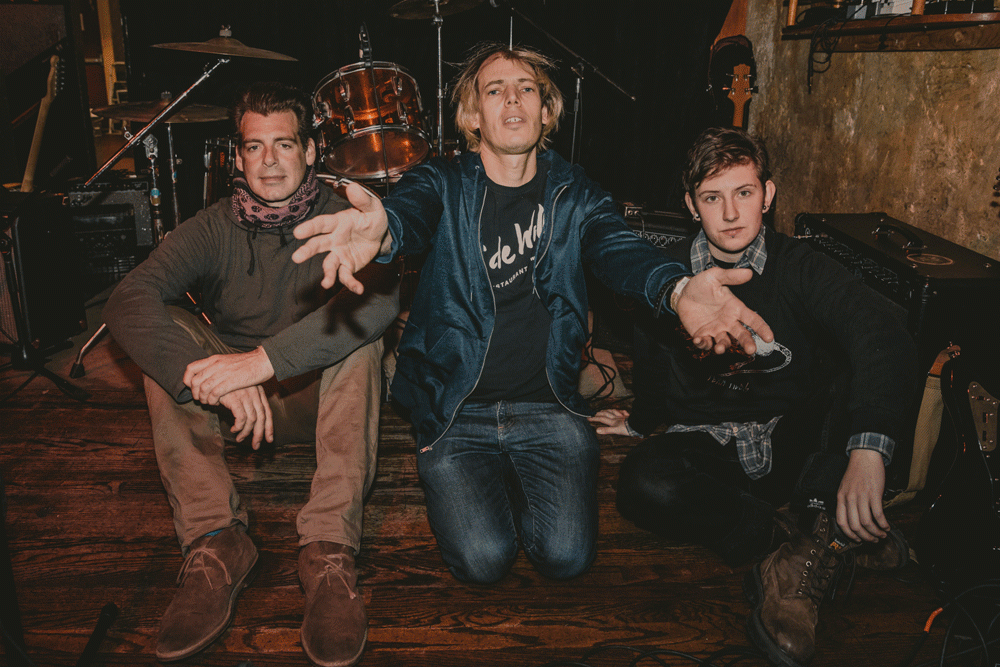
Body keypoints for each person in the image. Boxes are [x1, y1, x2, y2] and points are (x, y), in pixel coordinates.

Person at [290, 43, 773, 586]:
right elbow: (409, 214)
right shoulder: (441, 182)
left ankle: (516, 474)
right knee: (483, 561)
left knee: (566, 559)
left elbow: (618, 247)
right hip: (457, 411)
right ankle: (487, 476)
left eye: (527, 89)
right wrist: (385, 233)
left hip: (548, 407)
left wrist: (677, 288)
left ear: (546, 112)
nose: (513, 99)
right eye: (494, 90)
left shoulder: (576, 193)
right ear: (473, 116)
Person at [590, 127, 918, 667]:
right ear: (690, 205)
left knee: (850, 375)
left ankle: (808, 548)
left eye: (743, 192)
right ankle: (805, 542)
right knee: (642, 484)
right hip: (709, 444)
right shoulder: (669, 273)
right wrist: (639, 420)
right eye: (711, 198)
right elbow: (651, 355)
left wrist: (867, 451)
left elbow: (883, 334)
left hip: (792, 439)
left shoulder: (801, 265)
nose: (730, 213)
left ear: (768, 194)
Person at [104, 82, 399, 667]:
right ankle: (216, 544)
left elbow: (381, 303)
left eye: (284, 144)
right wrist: (215, 376)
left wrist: (259, 364)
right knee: (168, 333)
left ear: (309, 151)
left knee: (358, 334)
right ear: (237, 157)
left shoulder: (341, 219)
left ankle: (329, 550)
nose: (269, 161)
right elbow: (127, 298)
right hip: (236, 408)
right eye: (254, 146)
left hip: (318, 394)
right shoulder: (213, 226)